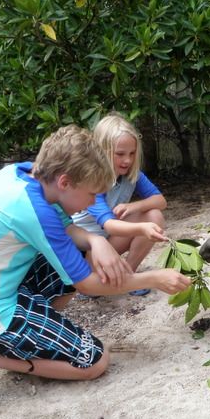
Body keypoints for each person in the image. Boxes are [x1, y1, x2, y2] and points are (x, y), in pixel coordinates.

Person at [0, 124, 191, 410]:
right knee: (94, 361)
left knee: (74, 256)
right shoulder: (33, 209)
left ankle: (19, 341)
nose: (92, 203)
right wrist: (153, 278)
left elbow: (68, 232)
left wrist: (95, 240)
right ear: (65, 182)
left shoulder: (21, 173)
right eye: (91, 194)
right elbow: (87, 284)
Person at [72, 114, 167, 297]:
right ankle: (93, 280)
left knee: (154, 215)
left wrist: (134, 207)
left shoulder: (132, 173)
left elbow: (160, 201)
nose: (127, 160)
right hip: (86, 249)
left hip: (106, 241)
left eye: (132, 153)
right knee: (148, 224)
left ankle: (127, 277)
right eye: (120, 154)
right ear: (103, 151)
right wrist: (142, 228)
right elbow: (109, 224)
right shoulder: (93, 180)